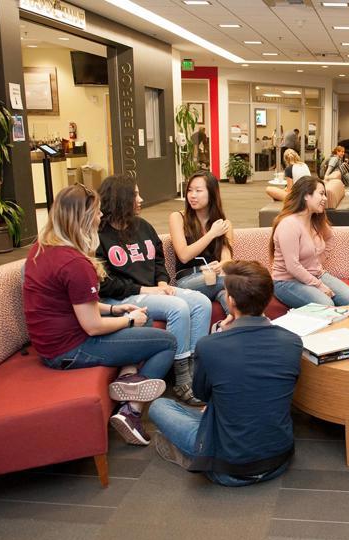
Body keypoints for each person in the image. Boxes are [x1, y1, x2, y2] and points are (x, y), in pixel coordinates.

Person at [23, 184, 177, 446]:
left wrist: (117, 309)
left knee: (144, 317)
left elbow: (78, 304)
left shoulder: (42, 248)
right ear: (83, 219)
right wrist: (129, 320)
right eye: (95, 213)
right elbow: (92, 326)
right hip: (68, 351)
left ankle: (128, 378)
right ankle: (132, 409)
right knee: (167, 342)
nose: (100, 217)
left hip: (52, 344)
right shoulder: (74, 263)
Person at [148, 261, 303, 486]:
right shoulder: (293, 342)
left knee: (159, 407)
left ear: (230, 301)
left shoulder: (209, 346)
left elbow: (201, 395)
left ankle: (195, 455)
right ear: (269, 298)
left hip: (227, 468)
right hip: (279, 461)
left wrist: (220, 333)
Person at [97, 175, 211, 407]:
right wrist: (145, 288)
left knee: (201, 302)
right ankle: (181, 379)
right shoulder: (99, 235)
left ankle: (195, 370)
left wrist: (161, 282)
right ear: (120, 199)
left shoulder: (144, 227)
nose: (141, 199)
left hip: (152, 290)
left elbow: (158, 261)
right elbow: (105, 283)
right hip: (123, 297)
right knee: (178, 307)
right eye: (135, 195)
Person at [270, 176, 349, 308]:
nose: (325, 199)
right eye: (321, 194)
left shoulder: (315, 220)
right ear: (306, 195)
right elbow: (292, 266)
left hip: (315, 274)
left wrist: (318, 261)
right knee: (326, 304)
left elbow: (330, 237)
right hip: (286, 281)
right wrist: (319, 285)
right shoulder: (289, 225)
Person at [169, 170, 234, 316]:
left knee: (230, 299)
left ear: (212, 193)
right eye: (190, 190)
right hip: (187, 281)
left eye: (198, 191)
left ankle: (237, 329)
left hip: (215, 278)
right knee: (237, 282)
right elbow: (184, 255)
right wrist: (211, 234)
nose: (192, 195)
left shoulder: (224, 224)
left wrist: (220, 265)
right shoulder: (178, 218)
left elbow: (227, 259)